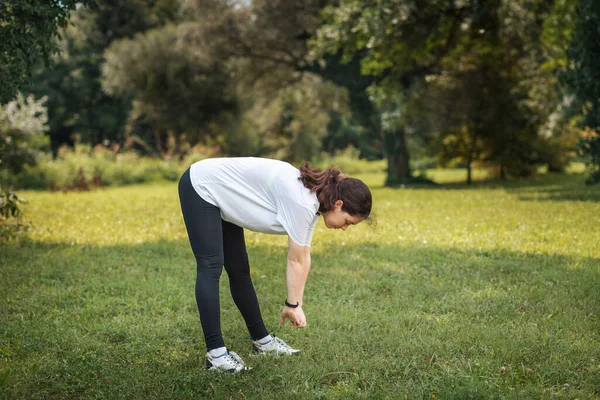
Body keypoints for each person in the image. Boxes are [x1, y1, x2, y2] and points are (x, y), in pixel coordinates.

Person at [178, 157, 372, 372]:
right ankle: (215, 355)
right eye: (347, 222)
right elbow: (295, 259)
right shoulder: (303, 202)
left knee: (239, 269)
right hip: (202, 185)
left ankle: (262, 342)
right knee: (211, 266)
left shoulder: (315, 203)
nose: (345, 228)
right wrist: (293, 305)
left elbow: (303, 256)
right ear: (338, 204)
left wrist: (295, 304)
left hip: (223, 191)